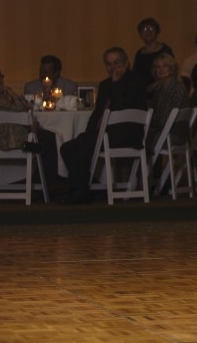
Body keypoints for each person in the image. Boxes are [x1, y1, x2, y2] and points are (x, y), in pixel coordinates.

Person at [59, 47, 148, 204]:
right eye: (108, 64)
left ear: (126, 63)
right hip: (105, 133)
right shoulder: (105, 84)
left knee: (80, 146)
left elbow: (121, 106)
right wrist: (89, 132)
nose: (113, 68)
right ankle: (81, 189)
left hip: (127, 134)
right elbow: (98, 113)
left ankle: (79, 191)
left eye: (116, 63)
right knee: (68, 147)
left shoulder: (137, 81)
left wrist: (115, 83)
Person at [145, 52, 189, 156]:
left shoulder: (177, 87)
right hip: (166, 133)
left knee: (137, 141)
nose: (161, 69)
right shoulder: (159, 87)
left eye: (165, 66)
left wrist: (147, 120)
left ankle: (145, 171)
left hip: (174, 135)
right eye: (157, 66)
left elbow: (164, 119)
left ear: (172, 68)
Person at [133, 18, 174, 85]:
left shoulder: (165, 50)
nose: (148, 32)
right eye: (145, 29)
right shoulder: (139, 53)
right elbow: (135, 75)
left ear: (157, 33)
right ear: (140, 34)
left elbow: (171, 72)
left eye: (151, 29)